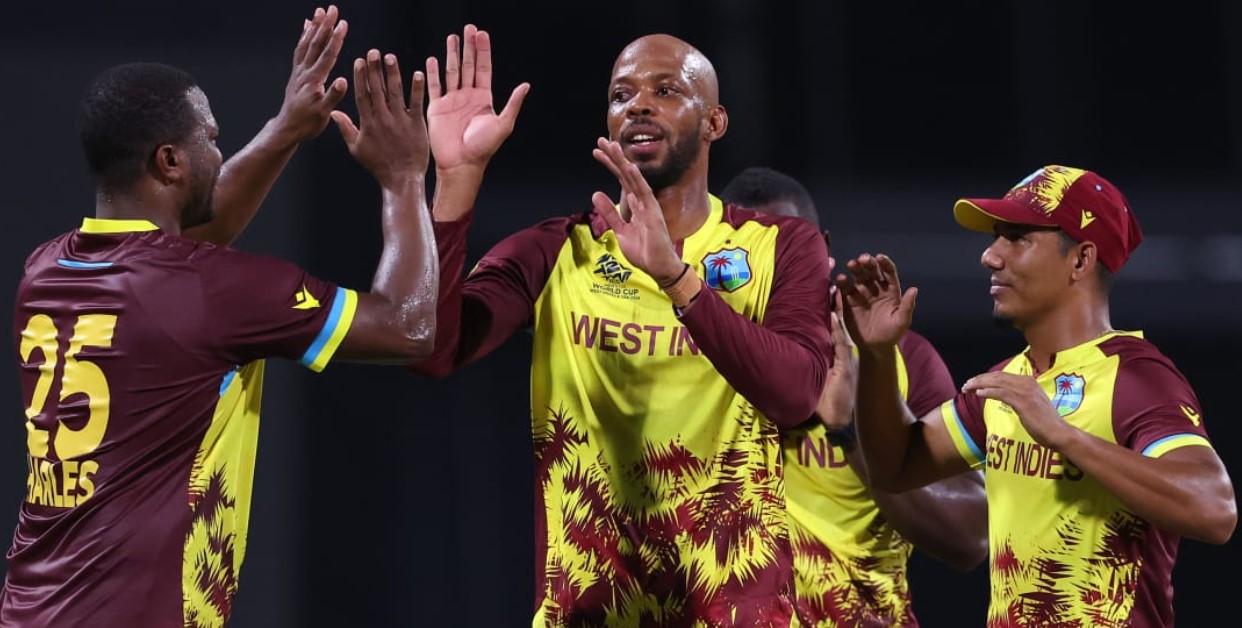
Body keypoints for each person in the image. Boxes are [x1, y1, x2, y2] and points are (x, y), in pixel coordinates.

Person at [3, 7, 440, 626]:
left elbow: (195, 244)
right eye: (209, 139)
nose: (219, 152)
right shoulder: (211, 291)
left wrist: (286, 128)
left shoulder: (43, 273)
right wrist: (402, 178)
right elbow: (408, 328)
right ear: (170, 162)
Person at [411, 27, 831, 625]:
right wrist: (456, 179)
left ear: (714, 123)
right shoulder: (555, 251)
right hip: (586, 611)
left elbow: (795, 396)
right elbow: (430, 351)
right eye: (621, 94)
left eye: (666, 90)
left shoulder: (782, 246)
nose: (637, 104)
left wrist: (677, 279)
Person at [835, 164, 1238, 627]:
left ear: (1081, 260)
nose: (990, 256)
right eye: (994, 239)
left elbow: (1215, 510)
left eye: (1017, 238)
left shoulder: (1135, 376)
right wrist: (879, 357)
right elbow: (895, 467)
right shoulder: (1009, 381)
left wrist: (1064, 436)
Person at [721, 166, 987, 626]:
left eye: (787, 247)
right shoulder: (682, 354)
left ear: (820, 248)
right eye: (749, 253)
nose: (770, 267)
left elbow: (968, 540)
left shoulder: (895, 362)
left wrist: (850, 428)